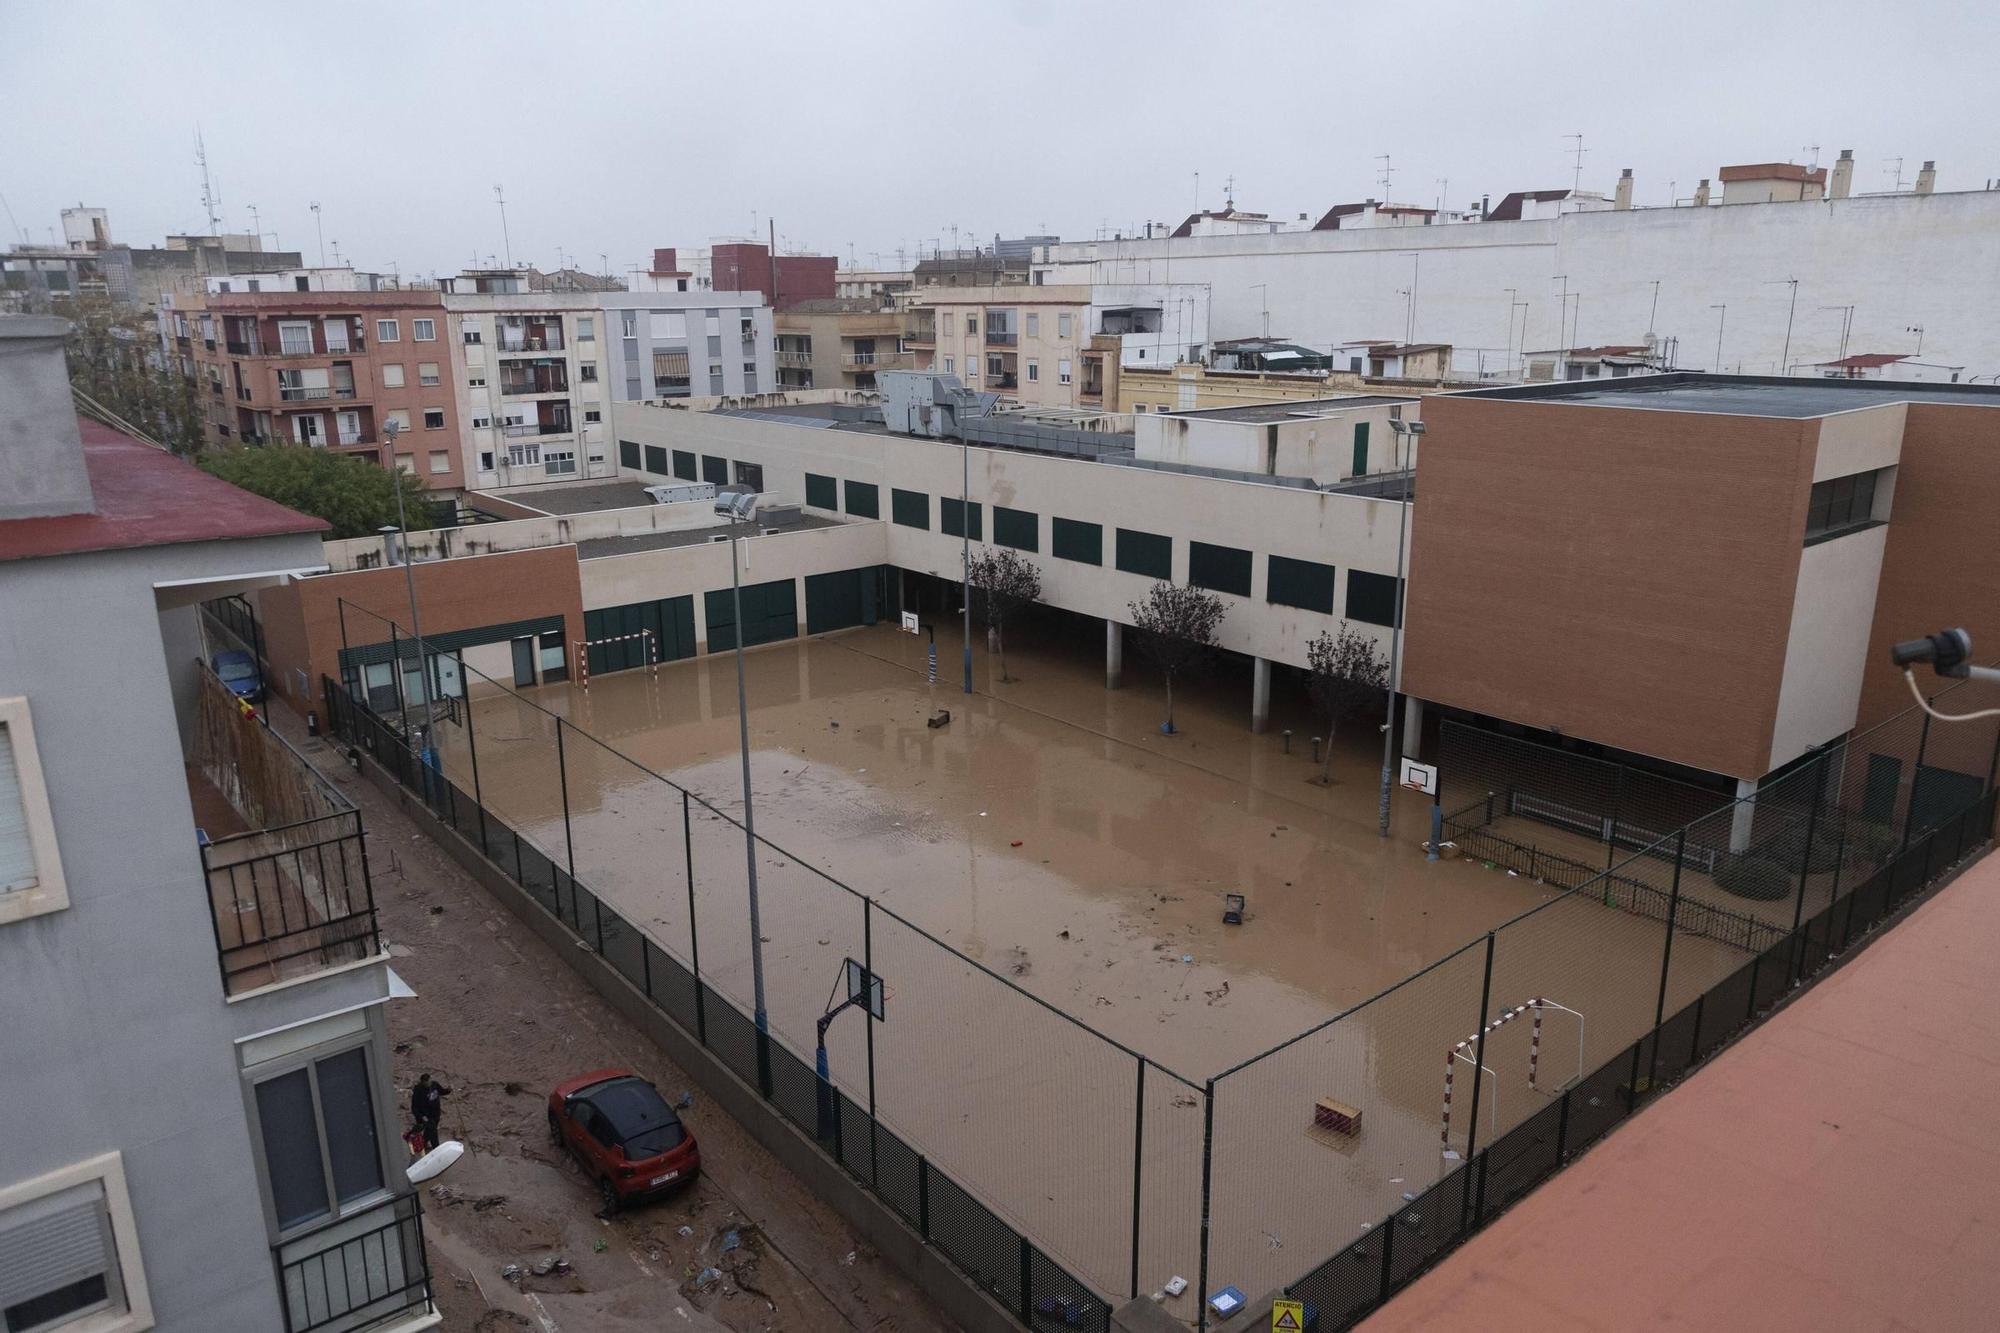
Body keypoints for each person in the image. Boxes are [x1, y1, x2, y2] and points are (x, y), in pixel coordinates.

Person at [411, 1073, 451, 1151]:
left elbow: (442, 1091)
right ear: (422, 1082)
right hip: (426, 1116)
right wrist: (421, 1116)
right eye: (426, 1083)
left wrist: (448, 1090)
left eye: (429, 1082)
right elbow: (414, 1108)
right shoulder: (418, 1091)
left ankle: (422, 1144)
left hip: (436, 1114)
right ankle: (437, 1149)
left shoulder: (434, 1085)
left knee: (430, 1131)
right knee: (433, 1132)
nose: (428, 1084)